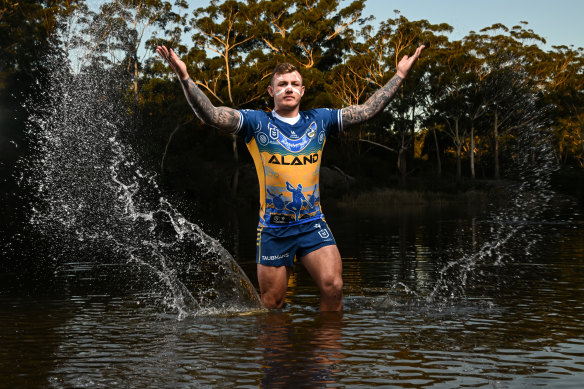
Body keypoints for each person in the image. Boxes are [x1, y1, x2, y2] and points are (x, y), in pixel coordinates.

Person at [156, 44, 425, 311]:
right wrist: (184, 77)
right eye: (282, 83)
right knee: (273, 305)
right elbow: (212, 115)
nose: (289, 88)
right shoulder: (255, 123)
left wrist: (399, 75)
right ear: (271, 91)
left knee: (334, 287)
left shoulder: (320, 120)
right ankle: (281, 352)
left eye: (295, 84)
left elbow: (367, 110)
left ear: (302, 91)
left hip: (312, 224)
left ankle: (326, 352)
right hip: (274, 229)